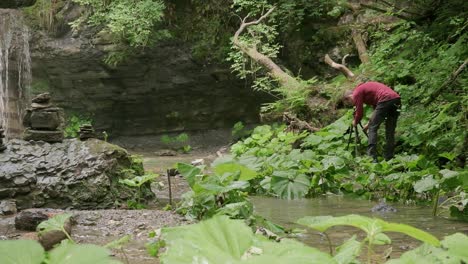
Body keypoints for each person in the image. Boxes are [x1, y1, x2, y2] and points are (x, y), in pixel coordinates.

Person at [343, 81, 401, 162]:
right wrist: (368, 125)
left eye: (349, 102)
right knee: (390, 130)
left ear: (349, 96)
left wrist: (355, 121)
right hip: (396, 99)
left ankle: (372, 157)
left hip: (385, 99)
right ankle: (389, 157)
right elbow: (376, 112)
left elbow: (359, 113)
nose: (352, 103)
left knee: (373, 129)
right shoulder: (367, 91)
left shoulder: (357, 92)